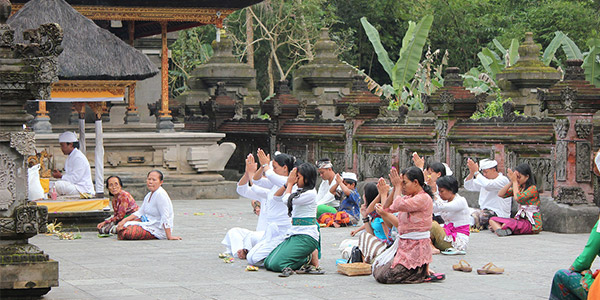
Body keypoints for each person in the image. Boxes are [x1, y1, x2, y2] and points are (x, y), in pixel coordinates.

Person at [371, 166, 434, 284]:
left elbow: (398, 205)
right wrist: (395, 188)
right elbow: (387, 207)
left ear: (415, 182)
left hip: (415, 249)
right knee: (377, 269)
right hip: (404, 247)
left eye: (405, 183)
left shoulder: (423, 198)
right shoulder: (409, 197)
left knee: (384, 276)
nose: (403, 186)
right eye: (402, 183)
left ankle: (420, 272)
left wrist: (398, 187)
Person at [234, 150, 295, 265]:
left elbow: (260, 183)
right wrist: (257, 169)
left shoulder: (288, 183)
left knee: (253, 259)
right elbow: (256, 181)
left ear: (285, 168)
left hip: (282, 232)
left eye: (275, 167)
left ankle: (285, 254)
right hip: (270, 232)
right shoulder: (274, 184)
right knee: (250, 249)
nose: (271, 171)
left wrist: (263, 167)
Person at [264, 163, 323, 277]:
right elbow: (276, 197)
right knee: (269, 262)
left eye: (298, 177)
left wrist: (290, 183)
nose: (296, 180)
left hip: (307, 236)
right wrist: (288, 184)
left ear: (306, 178)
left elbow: (287, 200)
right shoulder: (298, 190)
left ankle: (308, 257)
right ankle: (305, 257)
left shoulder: (310, 193)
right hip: (295, 233)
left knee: (277, 264)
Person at [117, 170, 181, 240]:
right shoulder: (149, 195)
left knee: (128, 233)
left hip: (158, 228)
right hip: (148, 222)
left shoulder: (161, 194)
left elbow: (165, 216)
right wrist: (124, 220)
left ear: (161, 182)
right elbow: (140, 212)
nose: (150, 182)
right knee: (123, 226)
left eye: (154, 180)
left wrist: (169, 236)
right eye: (149, 179)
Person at [489, 163, 540, 237]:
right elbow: (501, 194)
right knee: (492, 219)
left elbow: (518, 198)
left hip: (532, 223)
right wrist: (511, 182)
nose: (517, 179)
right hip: (520, 220)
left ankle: (501, 229)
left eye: (519, 177)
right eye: (516, 177)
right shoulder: (519, 187)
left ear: (527, 177)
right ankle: (501, 230)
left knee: (507, 224)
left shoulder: (533, 189)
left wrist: (515, 182)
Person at [463, 158, 511, 230]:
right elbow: (468, 186)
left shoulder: (503, 180)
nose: (484, 175)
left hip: (498, 214)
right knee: (463, 211)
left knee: (473, 217)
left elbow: (488, 185)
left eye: (486, 172)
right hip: (483, 211)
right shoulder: (484, 180)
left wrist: (476, 172)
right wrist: (472, 172)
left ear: (494, 170)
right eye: (483, 172)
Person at [430, 176, 471, 255]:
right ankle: (430, 246)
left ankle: (431, 246)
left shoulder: (461, 201)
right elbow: (433, 208)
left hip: (458, 240)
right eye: (439, 192)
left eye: (442, 191)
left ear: (451, 190)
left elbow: (442, 207)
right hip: (447, 234)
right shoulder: (445, 201)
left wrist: (434, 193)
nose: (440, 194)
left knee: (433, 225)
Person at [51, 131, 94, 196]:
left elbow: (75, 178)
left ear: (70, 144)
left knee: (57, 186)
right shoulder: (71, 156)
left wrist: (61, 176)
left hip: (82, 189)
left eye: (62, 145)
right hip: (75, 186)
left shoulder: (78, 157)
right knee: (51, 184)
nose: (61, 148)